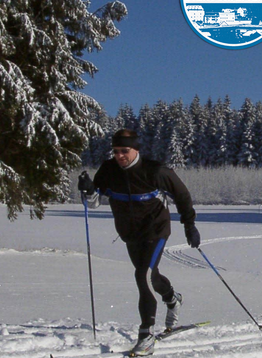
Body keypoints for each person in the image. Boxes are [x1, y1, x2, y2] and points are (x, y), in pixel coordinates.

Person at [78, 129, 200, 356]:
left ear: (136, 150)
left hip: (156, 229)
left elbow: (182, 195)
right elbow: (93, 203)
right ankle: (172, 299)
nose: (119, 155)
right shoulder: (109, 170)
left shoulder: (155, 170)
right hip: (130, 233)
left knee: (143, 275)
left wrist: (189, 225)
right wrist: (88, 190)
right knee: (151, 276)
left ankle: (146, 335)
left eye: (124, 150)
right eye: (116, 151)